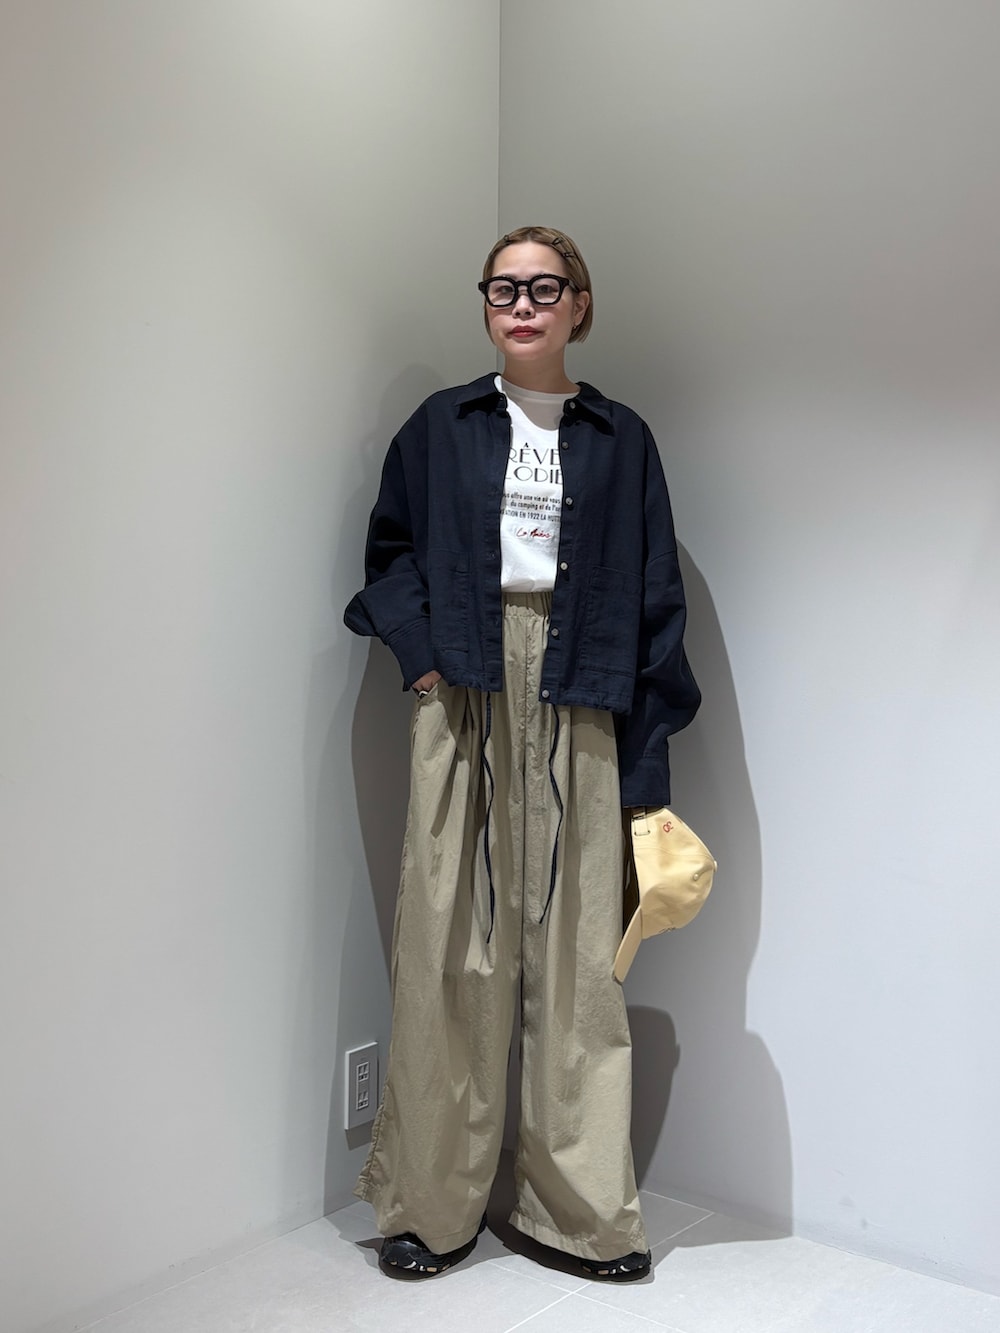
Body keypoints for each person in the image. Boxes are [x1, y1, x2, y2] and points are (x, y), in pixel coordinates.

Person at [344, 225, 700, 1281]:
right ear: (487, 305)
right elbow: (389, 555)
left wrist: (644, 770)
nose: (523, 305)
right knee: (448, 949)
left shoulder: (621, 439)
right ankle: (430, 1208)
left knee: (581, 961)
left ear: (579, 303)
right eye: (504, 289)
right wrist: (423, 663)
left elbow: (655, 600)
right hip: (465, 677)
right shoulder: (441, 427)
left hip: (582, 684)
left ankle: (579, 1213)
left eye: (545, 288)